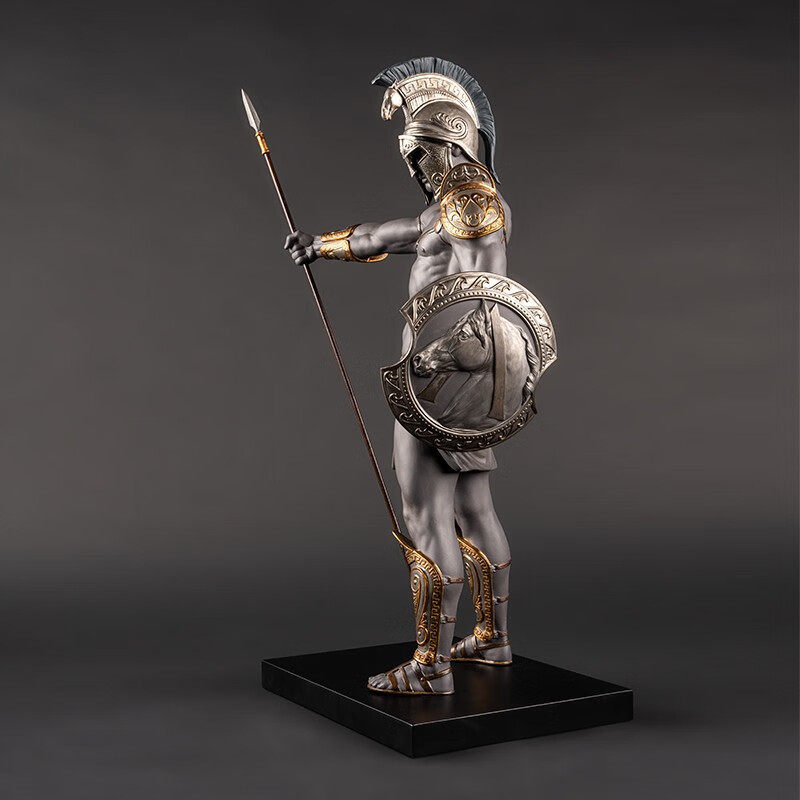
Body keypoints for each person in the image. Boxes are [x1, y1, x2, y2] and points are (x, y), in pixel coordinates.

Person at [286, 58, 514, 695]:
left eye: (422, 154)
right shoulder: (454, 205)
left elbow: (487, 297)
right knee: (472, 507)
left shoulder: (471, 204)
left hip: (443, 381)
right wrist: (322, 245)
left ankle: (430, 666)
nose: (416, 169)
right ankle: (491, 639)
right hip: (468, 382)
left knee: (425, 514)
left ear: (452, 142)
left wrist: (436, 365)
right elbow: (398, 234)